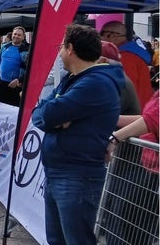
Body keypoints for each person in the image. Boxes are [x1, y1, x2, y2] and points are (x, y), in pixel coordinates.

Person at [31, 24, 124, 244]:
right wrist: (53, 118)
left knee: (76, 240)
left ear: (70, 49)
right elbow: (39, 113)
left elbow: (50, 112)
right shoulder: (72, 79)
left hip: (77, 176)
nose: (59, 51)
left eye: (61, 46)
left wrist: (52, 116)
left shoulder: (95, 83)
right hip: (58, 172)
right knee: (57, 240)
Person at [108, 91, 159, 245]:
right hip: (149, 165)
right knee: (131, 224)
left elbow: (151, 119)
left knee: (130, 224)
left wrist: (116, 137)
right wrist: (113, 120)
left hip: (153, 170)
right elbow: (147, 118)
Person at [101, 21, 153, 106]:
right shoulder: (133, 53)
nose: (100, 37)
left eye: (102, 33)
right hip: (139, 108)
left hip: (132, 111)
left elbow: (125, 89)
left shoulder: (125, 57)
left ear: (113, 35)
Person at [0, 26, 29, 106]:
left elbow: (28, 67)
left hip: (16, 85)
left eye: (19, 35)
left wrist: (19, 80)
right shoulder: (5, 46)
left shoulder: (26, 49)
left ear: (23, 37)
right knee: (0, 107)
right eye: (15, 34)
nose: (16, 36)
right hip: (1, 83)